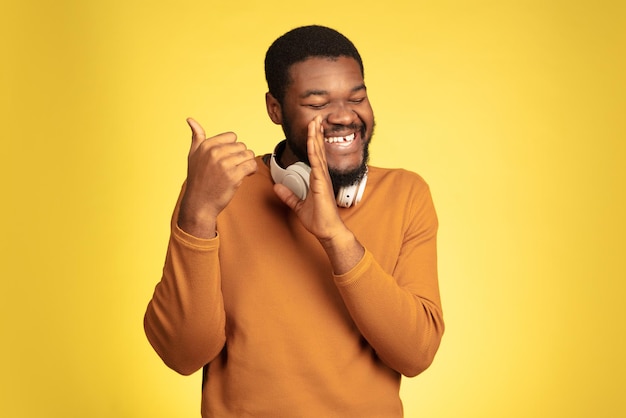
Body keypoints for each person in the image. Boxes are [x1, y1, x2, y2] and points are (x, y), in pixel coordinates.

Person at [144, 25, 444, 417]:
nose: (344, 117)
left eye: (357, 97)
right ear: (275, 108)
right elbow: (182, 353)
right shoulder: (219, 192)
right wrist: (198, 214)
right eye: (317, 104)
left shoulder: (406, 194)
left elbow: (416, 353)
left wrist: (335, 236)